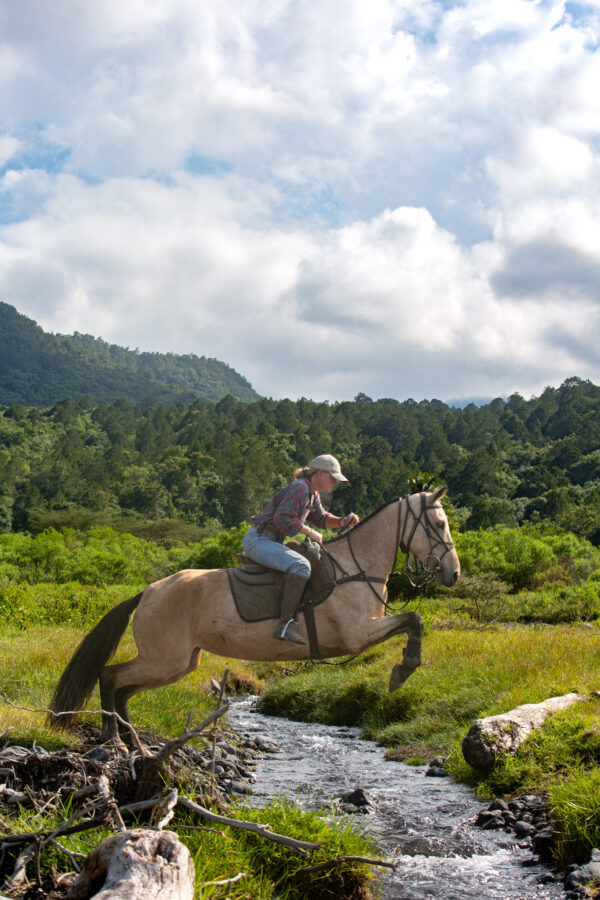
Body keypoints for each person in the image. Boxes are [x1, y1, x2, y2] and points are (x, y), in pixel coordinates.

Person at [242, 454, 359, 645]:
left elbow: (321, 518)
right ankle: (285, 626)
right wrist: (310, 533)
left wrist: (341, 521)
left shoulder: (312, 493)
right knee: (301, 565)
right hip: (260, 540)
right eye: (332, 478)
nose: (334, 483)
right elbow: (283, 519)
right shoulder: (299, 488)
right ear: (320, 473)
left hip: (271, 541)